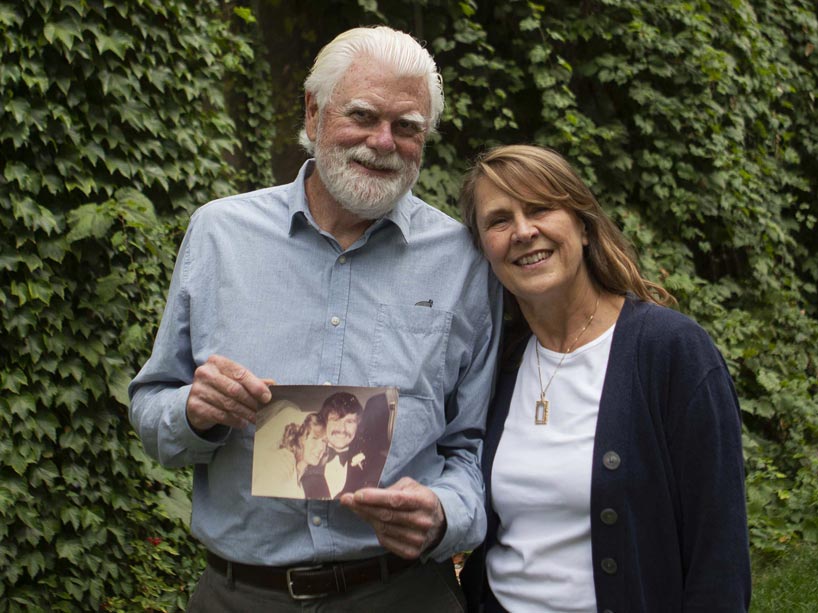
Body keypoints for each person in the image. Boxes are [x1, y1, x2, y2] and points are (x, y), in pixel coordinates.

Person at [128, 25, 501, 610]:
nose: (384, 142)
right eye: (363, 115)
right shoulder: (220, 234)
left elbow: (474, 445)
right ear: (314, 110)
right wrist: (193, 414)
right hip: (242, 595)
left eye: (407, 127)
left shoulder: (463, 260)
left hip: (401, 591)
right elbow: (152, 408)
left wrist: (444, 513)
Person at [457, 145, 751, 612]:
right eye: (498, 220)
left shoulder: (671, 351)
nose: (523, 231)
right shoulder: (497, 363)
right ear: (482, 248)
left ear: (585, 226)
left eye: (539, 209)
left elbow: (719, 548)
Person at [252, 412, 328, 499]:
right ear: (300, 438)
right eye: (314, 438)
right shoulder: (283, 461)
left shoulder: (300, 476)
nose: (321, 447)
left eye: (324, 441)